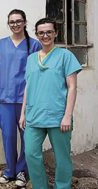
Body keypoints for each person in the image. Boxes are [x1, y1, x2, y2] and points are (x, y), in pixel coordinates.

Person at [19, 18, 82, 189]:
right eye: (41, 32)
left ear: (55, 33)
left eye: (49, 32)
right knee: (31, 154)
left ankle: (62, 186)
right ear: (37, 35)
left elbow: (72, 87)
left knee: (62, 158)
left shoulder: (65, 56)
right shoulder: (31, 59)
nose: (45, 35)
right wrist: (23, 113)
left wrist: (67, 116)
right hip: (34, 115)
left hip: (58, 117)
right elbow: (28, 87)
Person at [0, 9, 42, 187]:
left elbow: (36, 72)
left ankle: (21, 171)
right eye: (12, 21)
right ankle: (10, 171)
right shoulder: (2, 43)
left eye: (18, 21)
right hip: (5, 98)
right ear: (8, 24)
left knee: (28, 137)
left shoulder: (33, 45)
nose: (15, 24)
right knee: (8, 136)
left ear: (25, 22)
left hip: (25, 99)